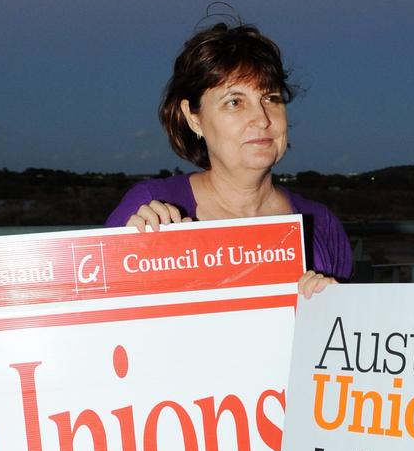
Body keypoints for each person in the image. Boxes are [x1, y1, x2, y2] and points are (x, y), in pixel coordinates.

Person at [105, 21, 353, 296]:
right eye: (235, 102)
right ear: (193, 117)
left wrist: (333, 308)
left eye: (271, 98)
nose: (261, 119)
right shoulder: (150, 209)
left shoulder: (321, 225)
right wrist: (124, 258)